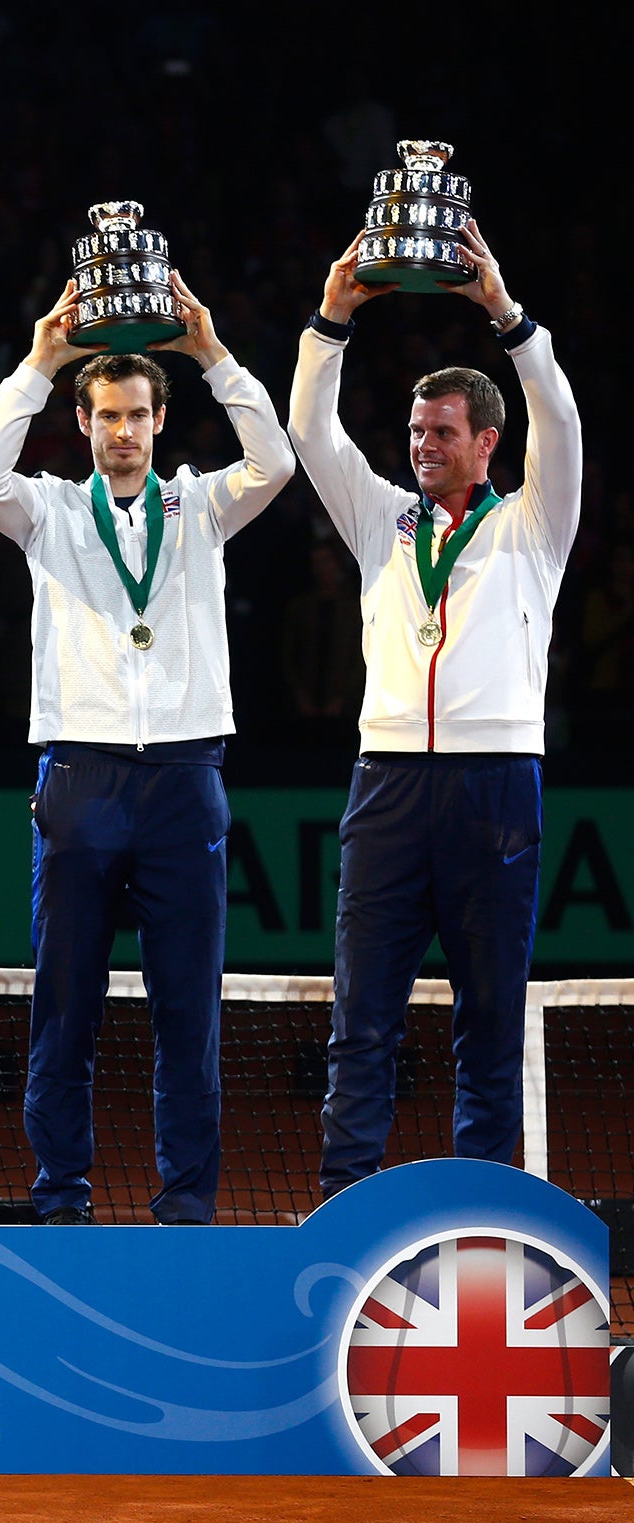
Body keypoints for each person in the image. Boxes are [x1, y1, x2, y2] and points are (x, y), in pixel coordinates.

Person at [0, 273, 295, 1225]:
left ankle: (186, 1203)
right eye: (107, 415)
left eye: (140, 414)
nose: (124, 432)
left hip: (187, 776)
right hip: (82, 775)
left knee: (188, 1015)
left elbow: (275, 462)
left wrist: (215, 353)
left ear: (159, 419)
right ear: (83, 420)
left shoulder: (203, 507)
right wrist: (36, 361)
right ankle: (60, 1196)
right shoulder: (50, 512)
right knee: (65, 1011)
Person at [287, 223, 581, 1198]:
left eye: (440, 432)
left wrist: (504, 314)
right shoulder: (381, 522)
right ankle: (344, 1192)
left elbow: (563, 423)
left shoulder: (532, 527)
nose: (420, 447)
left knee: (487, 1011)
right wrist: (330, 318)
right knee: (359, 1010)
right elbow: (308, 435)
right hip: (383, 784)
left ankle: (480, 1194)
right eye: (414, 433)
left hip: (494, 782)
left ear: (484, 441)